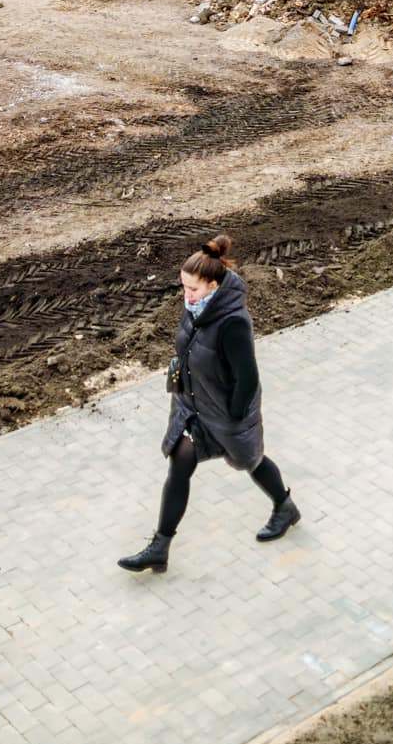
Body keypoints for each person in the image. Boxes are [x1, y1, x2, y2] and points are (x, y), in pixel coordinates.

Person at [118, 234, 300, 573]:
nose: (186, 297)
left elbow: (248, 378)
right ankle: (160, 546)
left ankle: (285, 507)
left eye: (194, 290)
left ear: (213, 286)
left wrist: (233, 416)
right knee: (180, 463)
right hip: (194, 406)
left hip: (227, 411)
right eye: (183, 288)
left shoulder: (232, 322)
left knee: (252, 460)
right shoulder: (197, 308)